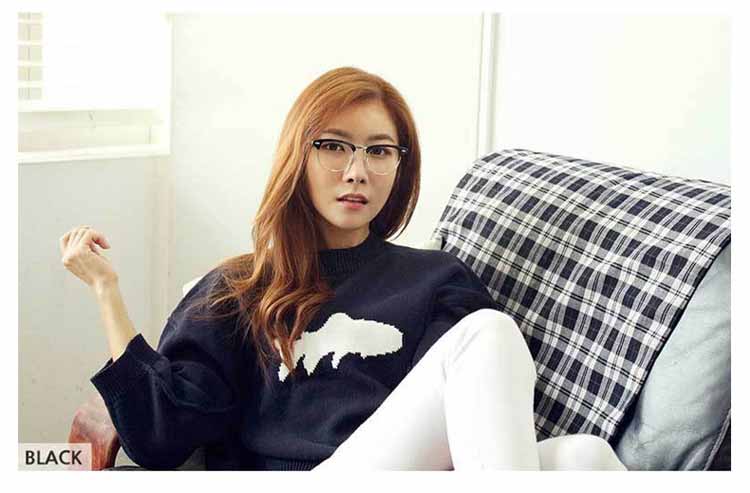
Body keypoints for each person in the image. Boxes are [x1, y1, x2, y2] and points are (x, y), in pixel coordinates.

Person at [59, 66, 627, 471]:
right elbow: (160, 440)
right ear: (298, 156)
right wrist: (107, 292)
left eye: (379, 151)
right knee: (492, 332)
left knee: (586, 457)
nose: (358, 171)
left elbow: (472, 423)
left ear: (399, 167)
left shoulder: (436, 280)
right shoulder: (237, 288)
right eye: (335, 146)